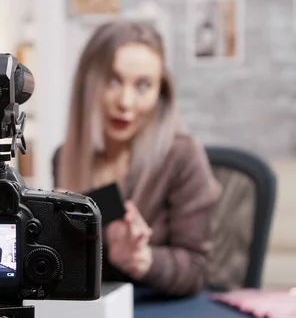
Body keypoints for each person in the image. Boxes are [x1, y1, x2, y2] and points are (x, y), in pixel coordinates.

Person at [53, 20, 222, 297]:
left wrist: (143, 259)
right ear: (88, 83)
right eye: (113, 80)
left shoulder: (182, 155)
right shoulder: (65, 157)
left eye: (143, 85)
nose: (126, 102)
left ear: (160, 92)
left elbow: (197, 268)